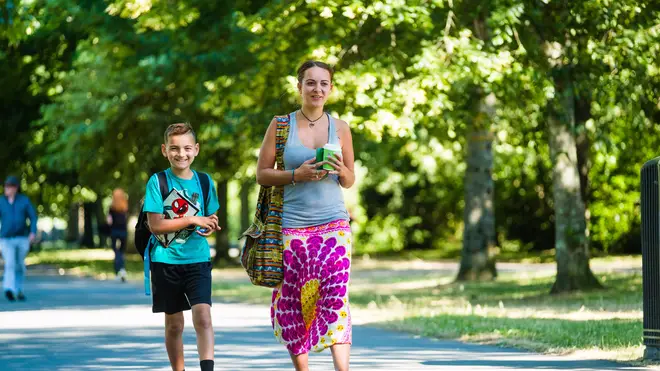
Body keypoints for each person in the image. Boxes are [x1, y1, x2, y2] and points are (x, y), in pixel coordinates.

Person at [256, 60, 356, 371]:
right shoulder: (281, 125)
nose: (317, 89)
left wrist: (341, 171)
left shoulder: (340, 128)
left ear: (331, 88)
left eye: (323, 83)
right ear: (299, 86)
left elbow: (350, 179)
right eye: (310, 83)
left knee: (336, 299)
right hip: (292, 229)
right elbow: (261, 174)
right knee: (294, 301)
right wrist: (295, 174)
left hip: (334, 225)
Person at [143, 123, 222, 371]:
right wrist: (191, 219)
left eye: (187, 148)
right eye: (175, 148)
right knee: (175, 324)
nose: (181, 154)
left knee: (203, 316)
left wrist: (209, 225)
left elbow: (211, 217)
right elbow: (155, 225)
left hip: (197, 259)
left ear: (196, 149)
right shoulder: (158, 181)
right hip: (166, 261)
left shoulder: (205, 182)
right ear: (164, 150)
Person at [0, 175, 37, 302]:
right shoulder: (1, 201)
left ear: (15, 188)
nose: (6, 189)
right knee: (10, 263)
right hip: (6, 239)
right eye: (5, 186)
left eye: (9, 186)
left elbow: (33, 217)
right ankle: (9, 289)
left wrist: (32, 232)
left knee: (19, 265)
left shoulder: (24, 201)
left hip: (22, 238)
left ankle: (18, 289)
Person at [107, 188, 129, 282]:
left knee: (116, 252)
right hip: (123, 231)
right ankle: (122, 270)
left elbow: (109, 221)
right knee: (121, 252)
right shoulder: (125, 206)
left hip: (114, 231)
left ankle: (118, 272)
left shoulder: (111, 207)